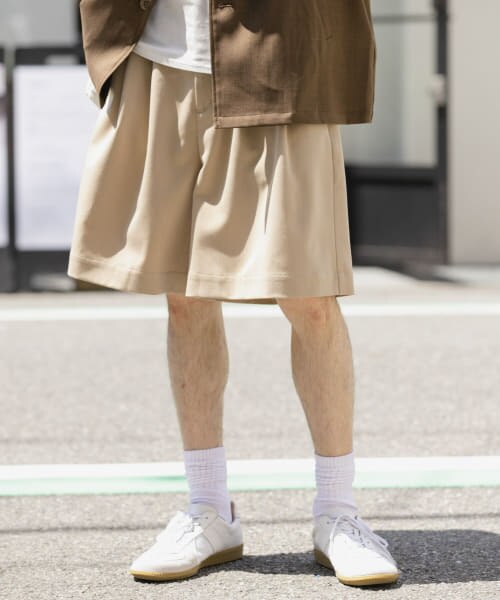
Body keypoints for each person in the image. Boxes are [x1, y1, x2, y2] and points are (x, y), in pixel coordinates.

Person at [68, 0, 400, 588]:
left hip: (279, 58)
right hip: (156, 57)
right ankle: (208, 508)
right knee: (183, 295)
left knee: (309, 295)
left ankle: (338, 511)